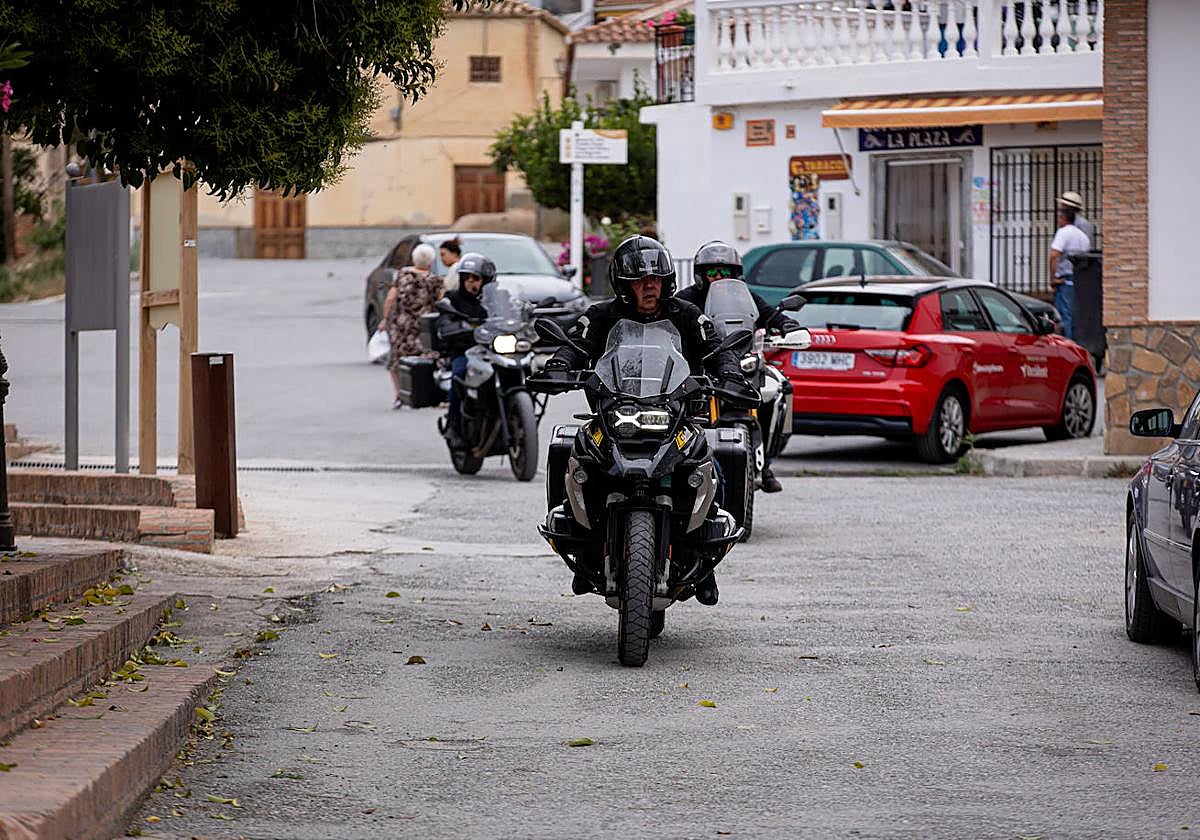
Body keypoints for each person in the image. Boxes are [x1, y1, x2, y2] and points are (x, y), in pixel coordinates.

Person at [545, 235, 744, 607]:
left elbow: (716, 348)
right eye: (640, 280)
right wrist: (559, 365)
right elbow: (574, 344)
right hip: (613, 414)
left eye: (655, 279)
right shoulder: (601, 316)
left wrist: (729, 372)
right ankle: (580, 540)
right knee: (569, 451)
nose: (649, 286)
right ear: (623, 286)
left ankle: (706, 557)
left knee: (712, 463)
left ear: (667, 281)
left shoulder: (687, 315)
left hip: (675, 414)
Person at [676, 241, 802, 494]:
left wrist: (787, 325)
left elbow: (769, 314)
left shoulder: (746, 297)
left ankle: (765, 462)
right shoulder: (686, 299)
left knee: (779, 390)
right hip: (701, 366)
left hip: (744, 364)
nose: (718, 278)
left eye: (725, 272)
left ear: (736, 274)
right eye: (712, 272)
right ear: (700, 274)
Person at [436, 252, 495, 446]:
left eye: (475, 278)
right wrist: (456, 328)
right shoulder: (453, 299)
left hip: (493, 352)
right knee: (459, 374)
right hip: (464, 352)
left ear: (486, 280)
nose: (471, 282)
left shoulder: (496, 297)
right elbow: (444, 323)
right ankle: (453, 424)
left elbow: (511, 313)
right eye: (466, 278)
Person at [379, 243, 443, 409]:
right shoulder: (435, 280)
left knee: (397, 359)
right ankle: (422, 393)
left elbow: (390, 298)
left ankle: (399, 395)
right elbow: (439, 302)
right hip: (424, 326)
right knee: (425, 357)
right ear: (431, 261)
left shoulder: (402, 275)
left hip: (401, 324)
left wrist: (385, 319)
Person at [1048, 206, 1091, 340]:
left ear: (1063, 218)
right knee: (1077, 315)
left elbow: (1054, 255)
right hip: (1080, 279)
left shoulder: (1063, 232)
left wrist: (1052, 278)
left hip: (1065, 279)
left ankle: (1069, 346)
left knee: (1065, 316)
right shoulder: (1082, 236)